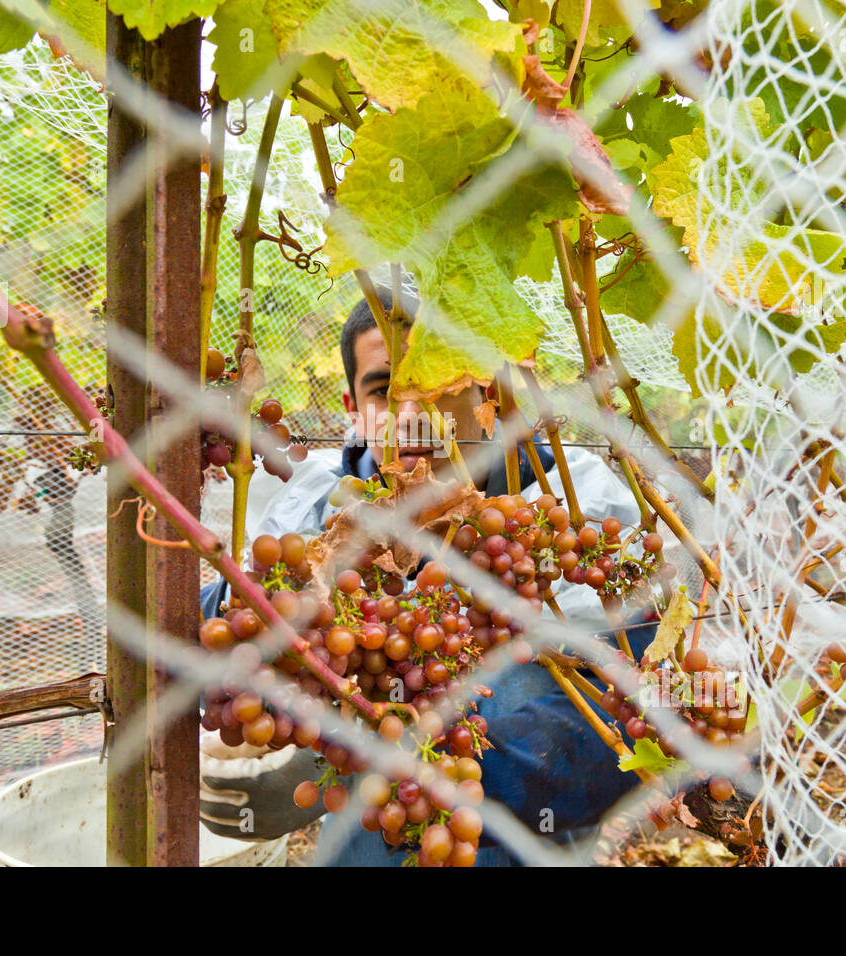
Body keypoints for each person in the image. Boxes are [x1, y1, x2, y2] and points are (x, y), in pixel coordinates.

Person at [198, 283, 661, 865]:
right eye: (385, 390)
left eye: (435, 384)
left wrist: (359, 747)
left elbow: (615, 716)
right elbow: (233, 617)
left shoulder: (572, 505)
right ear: (352, 408)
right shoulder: (310, 503)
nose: (412, 415)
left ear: (485, 392)